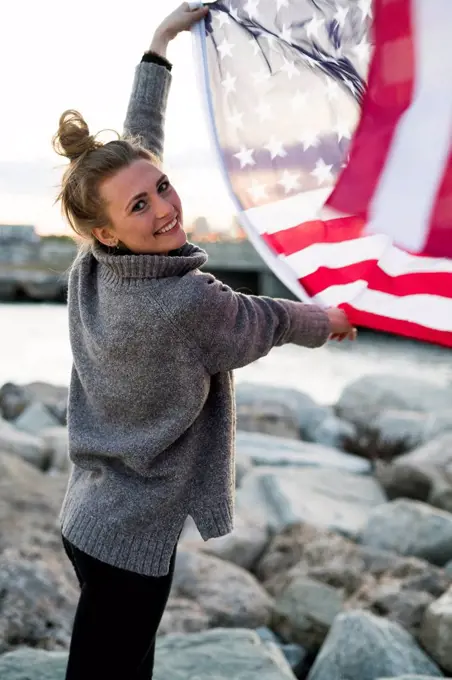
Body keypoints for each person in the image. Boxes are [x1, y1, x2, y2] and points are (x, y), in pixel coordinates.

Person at [53, 3, 356, 679]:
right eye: (141, 205)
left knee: (119, 661)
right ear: (108, 229)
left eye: (161, 186)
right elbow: (263, 319)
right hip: (130, 536)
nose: (164, 207)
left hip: (86, 517)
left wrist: (158, 46)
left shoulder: (95, 263)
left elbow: (135, 145)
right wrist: (325, 320)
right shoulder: (184, 303)